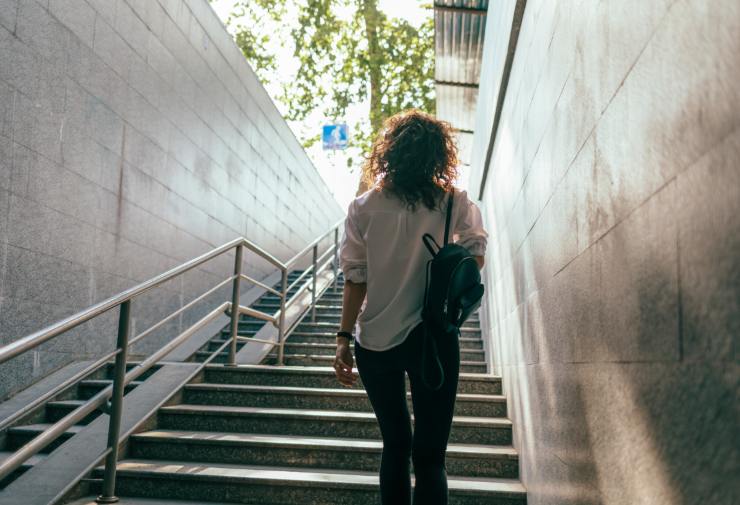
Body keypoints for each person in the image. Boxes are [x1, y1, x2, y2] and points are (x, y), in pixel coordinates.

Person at [334, 109, 488, 505]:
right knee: (431, 456)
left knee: (396, 445)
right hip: (433, 340)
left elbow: (356, 277)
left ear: (390, 154)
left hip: (374, 342)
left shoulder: (363, 207)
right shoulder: (453, 201)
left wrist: (343, 339)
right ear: (440, 154)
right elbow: (475, 257)